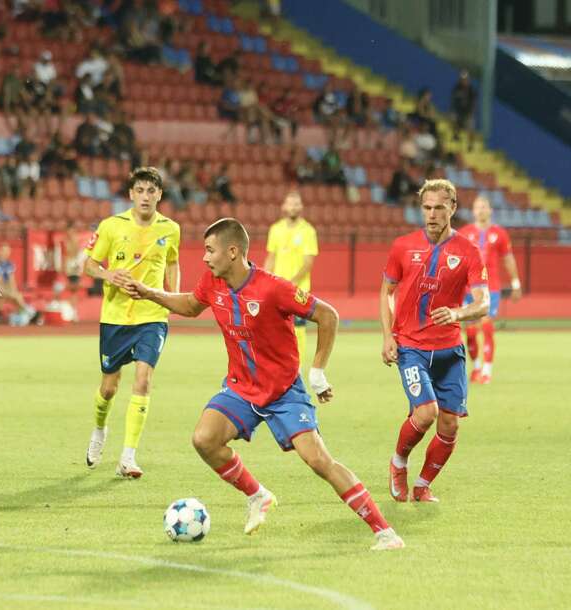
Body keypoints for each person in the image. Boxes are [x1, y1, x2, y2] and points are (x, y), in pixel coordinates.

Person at [124, 218, 403, 550]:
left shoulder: (274, 287)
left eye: (210, 250)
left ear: (233, 252)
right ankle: (257, 495)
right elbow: (189, 305)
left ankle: (384, 531)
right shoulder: (212, 283)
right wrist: (149, 292)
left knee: (318, 460)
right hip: (241, 388)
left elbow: (328, 315)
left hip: (284, 391)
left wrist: (317, 372)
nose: (204, 257)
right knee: (204, 439)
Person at [380, 179, 489, 504]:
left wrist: (457, 314)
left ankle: (424, 484)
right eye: (426, 207)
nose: (431, 214)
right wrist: (388, 335)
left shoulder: (469, 252)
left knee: (450, 423)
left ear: (452, 208)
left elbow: (483, 304)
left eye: (439, 207)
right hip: (411, 347)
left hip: (449, 351)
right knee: (425, 413)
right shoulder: (402, 246)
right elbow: (386, 293)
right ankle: (398, 463)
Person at [82, 166, 181, 478]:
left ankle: (128, 457)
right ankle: (99, 429)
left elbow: (174, 262)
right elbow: (88, 264)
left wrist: (172, 296)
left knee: (143, 380)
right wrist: (109, 274)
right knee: (109, 388)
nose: (145, 197)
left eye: (151, 191)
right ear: (131, 194)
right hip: (115, 317)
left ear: (160, 195)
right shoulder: (111, 226)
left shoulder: (170, 229)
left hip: (152, 316)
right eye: (140, 190)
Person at [457, 195, 522, 384]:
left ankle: (487, 371)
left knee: (486, 325)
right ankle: (476, 368)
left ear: (490, 210)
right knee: (469, 331)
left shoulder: (499, 234)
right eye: (478, 207)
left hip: (490, 287)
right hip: (469, 288)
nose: (481, 210)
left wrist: (515, 283)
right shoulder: (464, 233)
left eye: (484, 206)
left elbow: (508, 259)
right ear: (473, 211)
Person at [264, 192, 318, 364]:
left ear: (301, 207)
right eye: (290, 203)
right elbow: (271, 257)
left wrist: (291, 283)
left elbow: (308, 262)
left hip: (299, 289)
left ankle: (297, 365)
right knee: (275, 326)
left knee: (298, 328)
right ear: (284, 207)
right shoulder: (275, 229)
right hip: (277, 289)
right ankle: (278, 362)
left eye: (296, 204)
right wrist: (262, 279)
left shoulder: (308, 231)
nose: (293, 207)